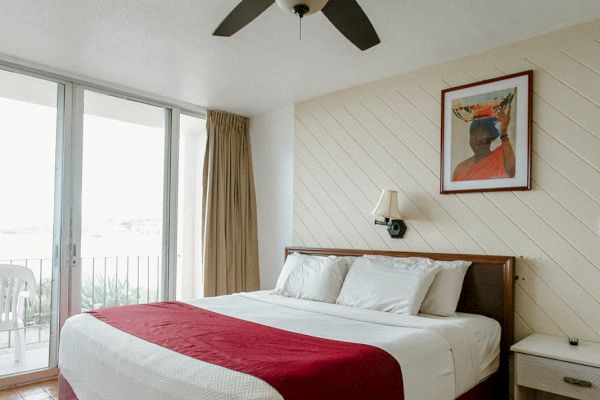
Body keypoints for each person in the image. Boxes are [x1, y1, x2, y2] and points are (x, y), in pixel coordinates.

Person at [452, 105, 515, 181]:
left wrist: (504, 132)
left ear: (491, 139)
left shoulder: (500, 156)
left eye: (483, 136)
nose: (478, 140)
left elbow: (511, 172)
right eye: (474, 136)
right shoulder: (460, 168)